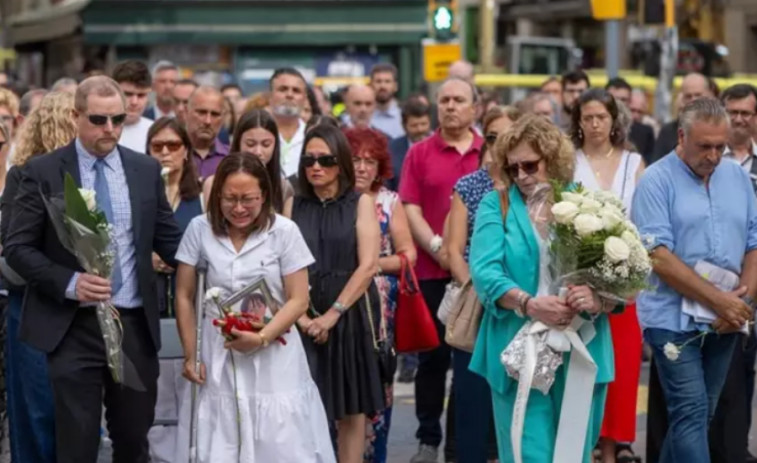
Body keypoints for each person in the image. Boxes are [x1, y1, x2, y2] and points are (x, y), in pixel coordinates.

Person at [3, 76, 183, 463]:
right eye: (99, 120)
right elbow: (17, 248)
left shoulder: (144, 170)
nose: (111, 129)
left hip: (132, 322)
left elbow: (171, 241)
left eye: (118, 120)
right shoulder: (43, 170)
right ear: (75, 116)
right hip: (71, 326)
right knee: (77, 440)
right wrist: (69, 282)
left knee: (134, 438)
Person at [469, 114, 614, 462]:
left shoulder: (584, 201)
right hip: (519, 346)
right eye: (513, 168)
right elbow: (485, 272)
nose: (521, 176)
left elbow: (616, 272)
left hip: (582, 345)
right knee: (528, 452)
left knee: (574, 452)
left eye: (530, 166)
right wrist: (529, 303)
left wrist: (597, 297)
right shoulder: (497, 204)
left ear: (552, 160)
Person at [173, 153, 334, 462]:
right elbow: (184, 294)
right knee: (221, 433)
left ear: (264, 196)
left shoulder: (284, 232)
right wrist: (191, 354)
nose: (238, 208)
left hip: (275, 349)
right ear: (217, 194)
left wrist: (262, 338)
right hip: (217, 350)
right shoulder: (199, 229)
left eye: (248, 199)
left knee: (279, 437)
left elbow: (298, 298)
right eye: (229, 199)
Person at [632, 98, 757, 463]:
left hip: (727, 316)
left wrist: (742, 303)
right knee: (689, 411)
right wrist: (720, 301)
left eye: (720, 146)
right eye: (704, 146)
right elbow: (658, 255)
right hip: (672, 317)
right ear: (682, 136)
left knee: (701, 415)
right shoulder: (656, 180)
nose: (714, 155)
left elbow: (753, 241)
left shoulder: (736, 175)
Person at [399, 77, 482, 463]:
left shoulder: (489, 150)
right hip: (433, 273)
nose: (450, 106)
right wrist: (438, 247)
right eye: (444, 100)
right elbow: (409, 207)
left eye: (458, 100)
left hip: (477, 275)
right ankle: (428, 438)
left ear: (474, 108)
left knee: (471, 363)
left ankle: (463, 444)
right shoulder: (419, 153)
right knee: (432, 362)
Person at [292, 124, 384, 463]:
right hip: (300, 315)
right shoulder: (293, 203)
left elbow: (368, 265)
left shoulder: (360, 202)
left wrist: (333, 315)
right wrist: (300, 317)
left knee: (351, 410)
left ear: (340, 161)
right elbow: (278, 264)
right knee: (301, 406)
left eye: (326, 160)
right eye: (309, 160)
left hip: (348, 314)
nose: (316, 167)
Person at [570, 88, 645, 463]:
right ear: (578, 122)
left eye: (601, 116)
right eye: (588, 118)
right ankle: (584, 445)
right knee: (584, 366)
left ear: (614, 119)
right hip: (578, 277)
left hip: (623, 281)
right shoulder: (568, 161)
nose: (595, 124)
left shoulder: (634, 163)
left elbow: (644, 222)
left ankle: (613, 448)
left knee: (623, 364)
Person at [1, 91, 75, 463]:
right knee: (36, 409)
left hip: (78, 307)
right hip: (31, 305)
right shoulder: (24, 176)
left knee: (73, 412)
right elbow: (12, 250)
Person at [446, 105, 520, 463]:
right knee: (472, 403)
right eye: (492, 137)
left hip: (523, 305)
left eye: (507, 136)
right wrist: (482, 293)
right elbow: (454, 249)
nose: (498, 144)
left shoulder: (531, 184)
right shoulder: (470, 185)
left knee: (517, 407)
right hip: (478, 304)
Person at [344, 127, 417, 463]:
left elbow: (407, 255)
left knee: (377, 393)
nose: (361, 167)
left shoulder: (389, 201)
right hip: (338, 306)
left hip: (379, 315)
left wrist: (369, 265)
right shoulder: (336, 201)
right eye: (355, 159)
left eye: (369, 161)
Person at [144, 116, 203, 462]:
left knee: (189, 388)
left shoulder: (201, 193)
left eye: (173, 146)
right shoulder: (141, 191)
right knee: (156, 394)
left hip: (190, 302)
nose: (165, 153)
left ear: (186, 152)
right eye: (157, 146)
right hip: (151, 300)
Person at [203, 109, 294, 215]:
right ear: (238, 143)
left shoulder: (283, 188)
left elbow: (286, 230)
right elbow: (211, 227)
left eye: (266, 144)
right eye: (250, 144)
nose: (258, 152)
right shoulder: (214, 183)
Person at [651, 73, 714, 163]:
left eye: (698, 95)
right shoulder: (668, 131)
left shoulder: (719, 126)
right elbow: (656, 165)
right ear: (682, 99)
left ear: (709, 95)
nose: (693, 100)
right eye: (688, 96)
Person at [269, 68, 307, 179]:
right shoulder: (256, 134)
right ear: (270, 96)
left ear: (304, 99)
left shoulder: (314, 136)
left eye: (296, 90)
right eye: (283, 89)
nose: (290, 95)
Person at [606, 77, 655, 164]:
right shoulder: (594, 128)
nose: (618, 103)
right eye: (614, 99)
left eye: (623, 100)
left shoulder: (645, 132)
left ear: (630, 102)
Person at [387, 99, 431, 192]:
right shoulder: (391, 149)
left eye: (424, 124)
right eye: (414, 125)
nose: (420, 129)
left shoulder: (442, 146)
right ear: (404, 126)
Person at [186, 86, 229, 181]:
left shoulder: (231, 159)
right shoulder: (171, 153)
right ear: (187, 112)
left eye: (215, 114)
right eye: (201, 112)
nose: (208, 121)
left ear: (223, 118)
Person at [112, 60, 154, 153]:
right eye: (128, 94)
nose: (134, 102)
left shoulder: (156, 132)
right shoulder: (95, 130)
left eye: (141, 95)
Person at [369, 63, 404, 139]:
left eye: (387, 81)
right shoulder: (363, 115)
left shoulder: (405, 114)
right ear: (371, 85)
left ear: (395, 86)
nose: (382, 86)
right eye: (378, 81)